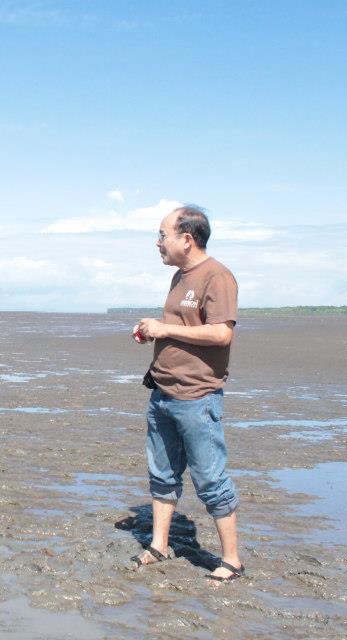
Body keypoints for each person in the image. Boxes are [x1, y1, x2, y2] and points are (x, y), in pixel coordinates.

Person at [131, 205, 244, 582]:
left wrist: (164, 330)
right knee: (161, 474)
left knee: (210, 478)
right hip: (162, 392)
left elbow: (221, 333)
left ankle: (231, 559)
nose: (157, 243)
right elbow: (180, 325)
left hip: (197, 397)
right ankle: (159, 545)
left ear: (187, 238)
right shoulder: (180, 276)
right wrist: (154, 330)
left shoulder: (218, 276)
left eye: (162, 235)